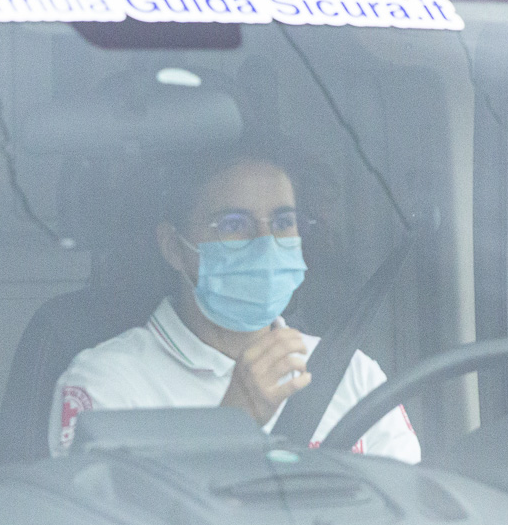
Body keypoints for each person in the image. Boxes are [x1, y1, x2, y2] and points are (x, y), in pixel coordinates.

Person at [50, 150, 420, 461]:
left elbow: (404, 509)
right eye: (233, 224)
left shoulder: (354, 375)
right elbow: (107, 522)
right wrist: (230, 423)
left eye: (283, 221)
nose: (265, 243)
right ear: (174, 247)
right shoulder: (107, 385)